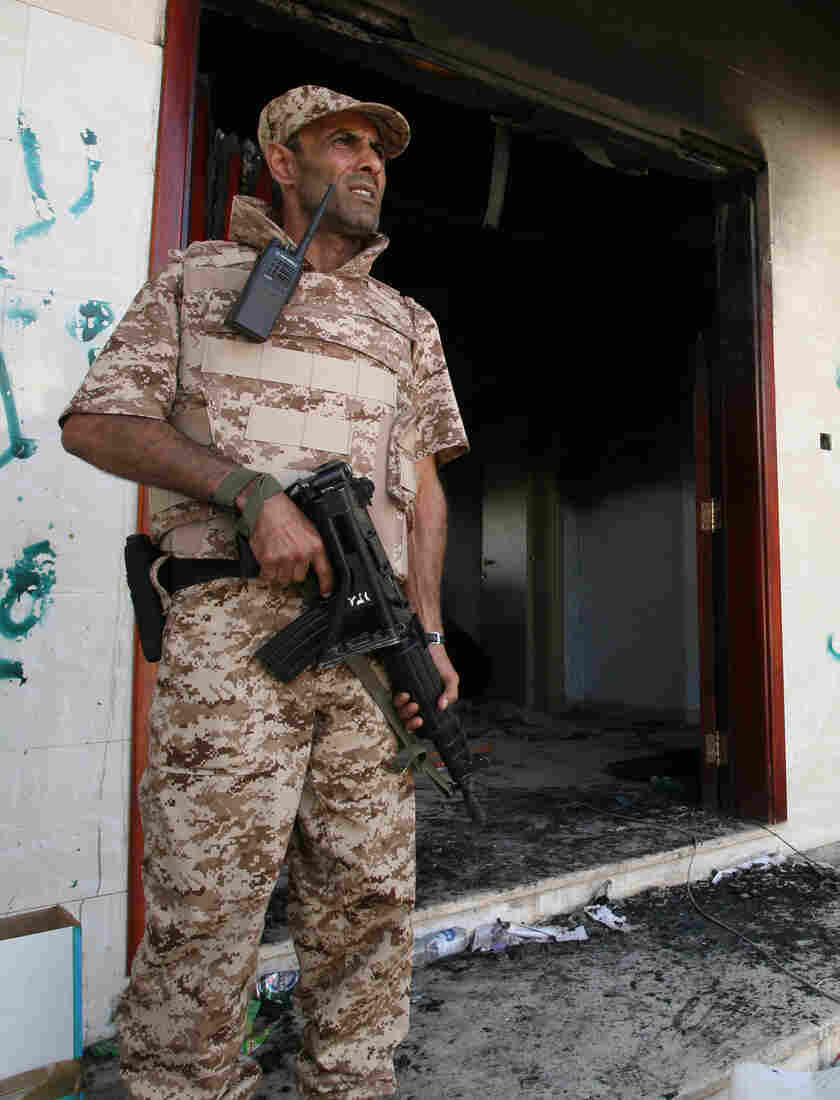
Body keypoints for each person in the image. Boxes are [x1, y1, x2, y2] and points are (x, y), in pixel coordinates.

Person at [60, 85, 468, 1100]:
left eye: (380, 149)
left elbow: (422, 487)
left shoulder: (402, 321)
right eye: (345, 142)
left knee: (370, 895)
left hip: (372, 648)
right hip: (234, 638)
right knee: (209, 903)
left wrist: (429, 632)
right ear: (282, 162)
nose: (370, 161)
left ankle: (351, 1080)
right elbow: (97, 422)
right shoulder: (199, 281)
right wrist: (246, 492)